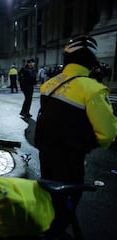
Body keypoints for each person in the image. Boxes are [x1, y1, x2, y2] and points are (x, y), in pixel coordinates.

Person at [35, 35, 117, 237]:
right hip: (70, 162)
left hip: (46, 157)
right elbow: (107, 135)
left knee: (53, 205)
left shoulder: (48, 85)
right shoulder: (92, 89)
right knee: (66, 210)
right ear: (91, 61)